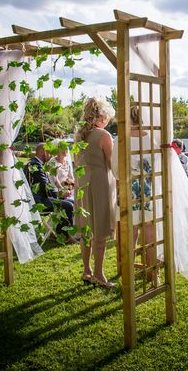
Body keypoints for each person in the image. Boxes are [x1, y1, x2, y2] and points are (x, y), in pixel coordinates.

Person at [110, 105, 157, 276]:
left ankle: (128, 272)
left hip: (128, 190)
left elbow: (115, 168)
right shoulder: (150, 137)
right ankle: (153, 272)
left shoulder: (121, 139)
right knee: (149, 231)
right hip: (148, 190)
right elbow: (156, 163)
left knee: (130, 233)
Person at [75, 97, 117, 288]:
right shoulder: (104, 136)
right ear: (100, 116)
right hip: (100, 185)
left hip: (82, 186)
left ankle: (87, 271)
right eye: (107, 117)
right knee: (100, 231)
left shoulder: (79, 135)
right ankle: (99, 274)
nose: (108, 120)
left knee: (86, 231)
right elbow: (113, 165)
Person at [24, 143, 76, 243]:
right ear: (44, 152)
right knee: (68, 205)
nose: (51, 155)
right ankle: (64, 237)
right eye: (49, 153)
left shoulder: (35, 163)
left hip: (40, 198)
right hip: (39, 202)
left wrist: (61, 195)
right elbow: (45, 187)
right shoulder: (36, 165)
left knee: (70, 202)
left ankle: (56, 234)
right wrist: (60, 195)